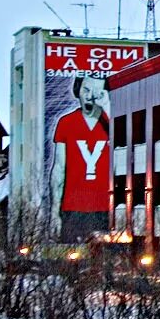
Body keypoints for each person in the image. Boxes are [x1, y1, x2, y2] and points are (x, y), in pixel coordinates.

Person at [50, 73, 112, 242]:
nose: (90, 95)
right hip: (73, 209)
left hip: (106, 209)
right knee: (70, 259)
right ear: (78, 90)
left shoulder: (113, 123)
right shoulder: (66, 123)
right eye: (86, 89)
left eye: (97, 92)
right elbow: (58, 169)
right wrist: (54, 212)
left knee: (106, 260)